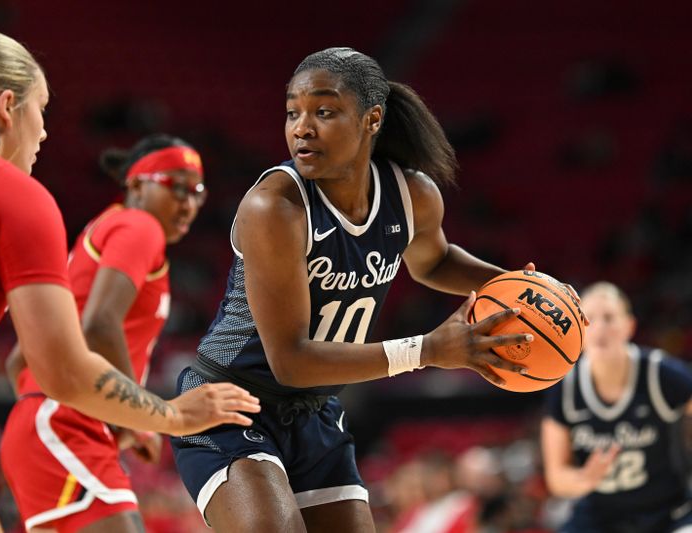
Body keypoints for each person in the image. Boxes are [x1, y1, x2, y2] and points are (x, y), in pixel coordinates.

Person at [0, 23, 259, 533]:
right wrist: (170, 415)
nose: (44, 131)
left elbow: (26, 355)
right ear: (6, 107)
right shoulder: (11, 192)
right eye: (41, 109)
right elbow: (68, 361)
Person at [170, 46, 554, 532]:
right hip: (231, 402)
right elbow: (290, 360)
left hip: (313, 411)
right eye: (292, 112)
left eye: (324, 112)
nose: (301, 128)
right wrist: (427, 350)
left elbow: (433, 260)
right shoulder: (274, 207)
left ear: (372, 119)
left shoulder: (411, 193)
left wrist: (529, 287)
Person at [0, 134, 208, 533]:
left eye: (197, 192)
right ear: (135, 185)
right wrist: (137, 417)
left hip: (53, 421)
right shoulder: (139, 226)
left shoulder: (103, 230)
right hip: (65, 421)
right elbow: (100, 324)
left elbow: (18, 359)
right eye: (175, 187)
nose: (188, 203)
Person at [541, 281, 692, 533]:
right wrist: (583, 479)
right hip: (600, 515)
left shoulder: (661, 373)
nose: (599, 328)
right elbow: (556, 478)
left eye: (609, 318)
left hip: (669, 509)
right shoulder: (565, 389)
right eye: (589, 319)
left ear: (629, 326)